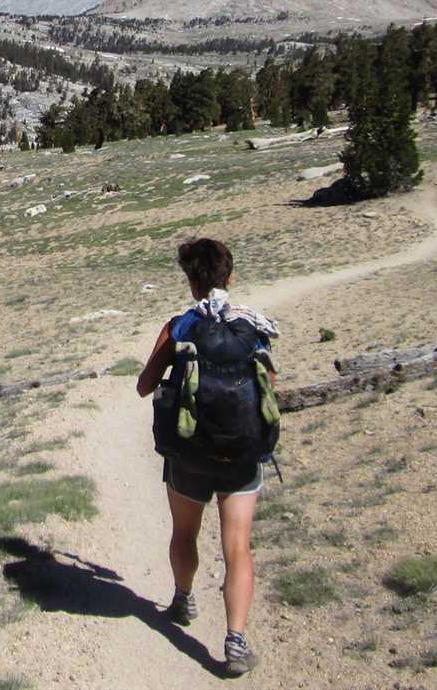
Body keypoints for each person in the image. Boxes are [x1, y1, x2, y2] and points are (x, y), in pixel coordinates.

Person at [136, 238, 279, 677]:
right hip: (240, 455)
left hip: (188, 452)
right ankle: (235, 642)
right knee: (237, 548)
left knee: (185, 532)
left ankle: (182, 598)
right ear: (229, 277)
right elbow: (271, 386)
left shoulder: (180, 325)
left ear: (190, 280)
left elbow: (144, 385)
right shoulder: (250, 327)